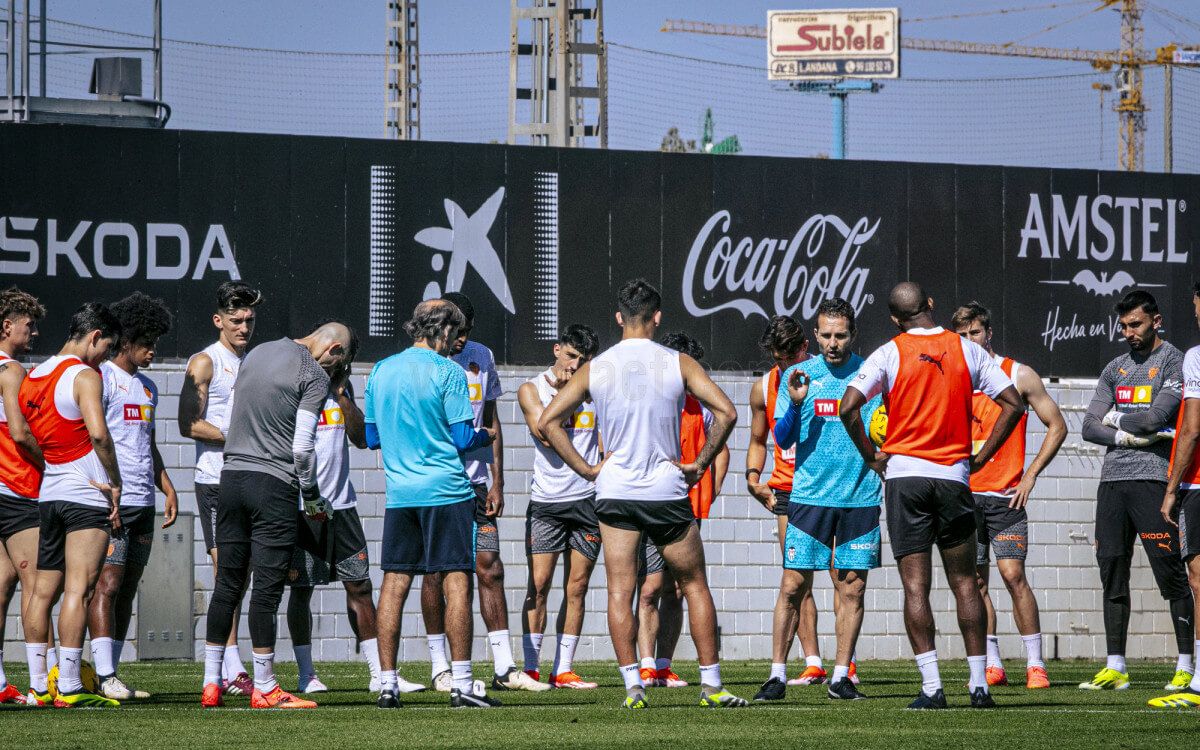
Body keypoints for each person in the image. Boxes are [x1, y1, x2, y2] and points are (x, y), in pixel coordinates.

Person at [538, 278, 747, 709]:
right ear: (657, 318)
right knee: (694, 586)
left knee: (619, 590)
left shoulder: (598, 367)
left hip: (616, 492)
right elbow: (728, 412)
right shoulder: (679, 362)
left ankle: (633, 687)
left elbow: (547, 422)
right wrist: (700, 464)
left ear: (618, 318)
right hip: (666, 490)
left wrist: (589, 469)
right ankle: (712, 685)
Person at [840, 281, 1023, 709]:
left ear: (893, 319)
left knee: (915, 589)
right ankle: (978, 687)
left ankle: (931, 688)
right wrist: (980, 457)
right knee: (965, 584)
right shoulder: (967, 349)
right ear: (931, 305)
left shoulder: (888, 352)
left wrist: (871, 456)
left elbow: (849, 407)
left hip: (904, 479)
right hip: (954, 478)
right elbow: (1014, 404)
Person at [199, 322, 350, 710]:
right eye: (339, 364)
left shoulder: (258, 352)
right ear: (333, 349)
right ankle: (265, 686)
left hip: (230, 479)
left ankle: (211, 682)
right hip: (274, 486)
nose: (334, 373)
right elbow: (302, 449)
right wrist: (312, 495)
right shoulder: (313, 374)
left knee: (228, 584)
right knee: (267, 589)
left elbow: (235, 418)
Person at [367, 299, 498, 709]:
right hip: (447, 491)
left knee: (393, 583)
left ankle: (387, 683)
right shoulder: (448, 372)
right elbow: (462, 439)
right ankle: (461, 684)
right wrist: (486, 436)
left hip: (401, 494)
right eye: (456, 334)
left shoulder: (381, 369)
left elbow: (372, 437)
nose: (459, 342)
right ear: (441, 332)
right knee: (457, 581)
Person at [285, 325, 424, 695]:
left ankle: (380, 673)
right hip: (302, 506)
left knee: (360, 586)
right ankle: (306, 673)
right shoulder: (295, 388)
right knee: (302, 589)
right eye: (337, 360)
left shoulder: (338, 393)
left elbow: (362, 439)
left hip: (341, 506)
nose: (336, 367)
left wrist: (344, 394)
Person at [755, 299, 881, 703]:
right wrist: (793, 403)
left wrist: (885, 447)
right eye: (825, 335)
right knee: (793, 585)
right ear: (815, 335)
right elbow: (783, 438)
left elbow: (887, 429)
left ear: (853, 335)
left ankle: (841, 676)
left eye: (840, 335)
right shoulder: (797, 375)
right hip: (808, 498)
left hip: (860, 498)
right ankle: (776, 675)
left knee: (853, 587)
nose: (832, 343)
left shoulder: (871, 375)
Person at [420, 292, 545, 692]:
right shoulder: (426, 362)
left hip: (476, 485)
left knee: (490, 566)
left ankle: (505, 667)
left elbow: (491, 421)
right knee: (436, 574)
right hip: (437, 484)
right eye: (456, 331)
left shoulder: (481, 357)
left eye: (466, 331)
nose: (461, 339)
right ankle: (440, 666)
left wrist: (498, 480)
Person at [1078, 289, 1193, 692]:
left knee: (1171, 574)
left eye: (1136, 324)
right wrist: (1129, 433)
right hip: (1112, 481)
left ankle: (1185, 664)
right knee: (1111, 568)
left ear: (1156, 321)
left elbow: (1157, 418)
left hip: (1154, 479)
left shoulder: (1174, 361)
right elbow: (1088, 427)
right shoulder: (1114, 368)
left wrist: (1115, 419)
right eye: (1124, 325)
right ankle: (1116, 666)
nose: (1128, 332)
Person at [951, 301, 1067, 690]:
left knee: (1013, 575)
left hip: (1006, 497)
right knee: (976, 583)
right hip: (965, 498)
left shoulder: (1017, 373)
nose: (969, 341)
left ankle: (1036, 664)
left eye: (975, 333)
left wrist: (1030, 476)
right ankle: (993, 663)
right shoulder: (952, 378)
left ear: (989, 333)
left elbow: (1057, 426)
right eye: (962, 336)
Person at [21, 303, 124, 708]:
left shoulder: (34, 375)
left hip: (49, 494)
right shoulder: (84, 375)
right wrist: (115, 483)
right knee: (78, 591)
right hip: (85, 494)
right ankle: (67, 685)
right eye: (107, 347)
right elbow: (98, 435)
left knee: (42, 592)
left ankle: (36, 686)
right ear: (95, 336)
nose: (105, 357)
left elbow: (26, 433)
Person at [87, 293, 178, 701]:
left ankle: (113, 672)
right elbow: (93, 437)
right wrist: (103, 487)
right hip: (112, 501)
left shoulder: (149, 387)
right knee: (106, 582)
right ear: (125, 341)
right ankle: (103, 674)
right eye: (146, 341)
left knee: (127, 587)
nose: (152, 349)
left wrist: (167, 485)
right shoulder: (101, 377)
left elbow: (147, 442)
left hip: (144, 501)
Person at [178, 280, 261, 695]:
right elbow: (188, 423)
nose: (244, 327)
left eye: (248, 319)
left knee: (241, 573)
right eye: (235, 320)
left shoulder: (254, 362)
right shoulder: (205, 362)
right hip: (215, 480)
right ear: (218, 321)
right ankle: (229, 667)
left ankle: (230, 665)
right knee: (226, 572)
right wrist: (239, 439)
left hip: (249, 479)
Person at [746, 315, 837, 686]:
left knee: (841, 574)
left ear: (805, 347)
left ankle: (846, 664)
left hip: (832, 488)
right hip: (787, 489)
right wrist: (753, 478)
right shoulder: (765, 385)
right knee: (797, 579)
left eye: (789, 356)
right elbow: (757, 441)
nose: (784, 365)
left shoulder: (831, 376)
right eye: (777, 358)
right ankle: (812, 662)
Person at [636, 331, 729, 688]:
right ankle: (645, 664)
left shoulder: (701, 408)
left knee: (677, 590)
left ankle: (663, 665)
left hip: (687, 510)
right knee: (650, 587)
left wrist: (710, 489)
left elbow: (721, 449)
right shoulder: (651, 401)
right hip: (652, 504)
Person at [517, 324, 602, 689]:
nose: (574, 366)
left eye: (582, 361)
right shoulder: (530, 389)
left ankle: (563, 668)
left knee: (577, 586)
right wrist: (571, 391)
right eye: (570, 357)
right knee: (538, 584)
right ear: (556, 350)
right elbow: (545, 434)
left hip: (587, 501)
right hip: (547, 502)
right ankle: (532, 668)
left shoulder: (598, 392)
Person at [1151, 282, 1200, 709]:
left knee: (1199, 580)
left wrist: (1170, 491)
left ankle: (1199, 675)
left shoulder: (1194, 357)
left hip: (1196, 483)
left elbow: (1190, 428)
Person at [0, 287, 46, 704]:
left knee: (1, 582)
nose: (33, 333)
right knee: (38, 583)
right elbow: (19, 431)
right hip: (16, 486)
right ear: (7, 326)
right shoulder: (11, 370)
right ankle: (38, 684)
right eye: (28, 325)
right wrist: (50, 461)